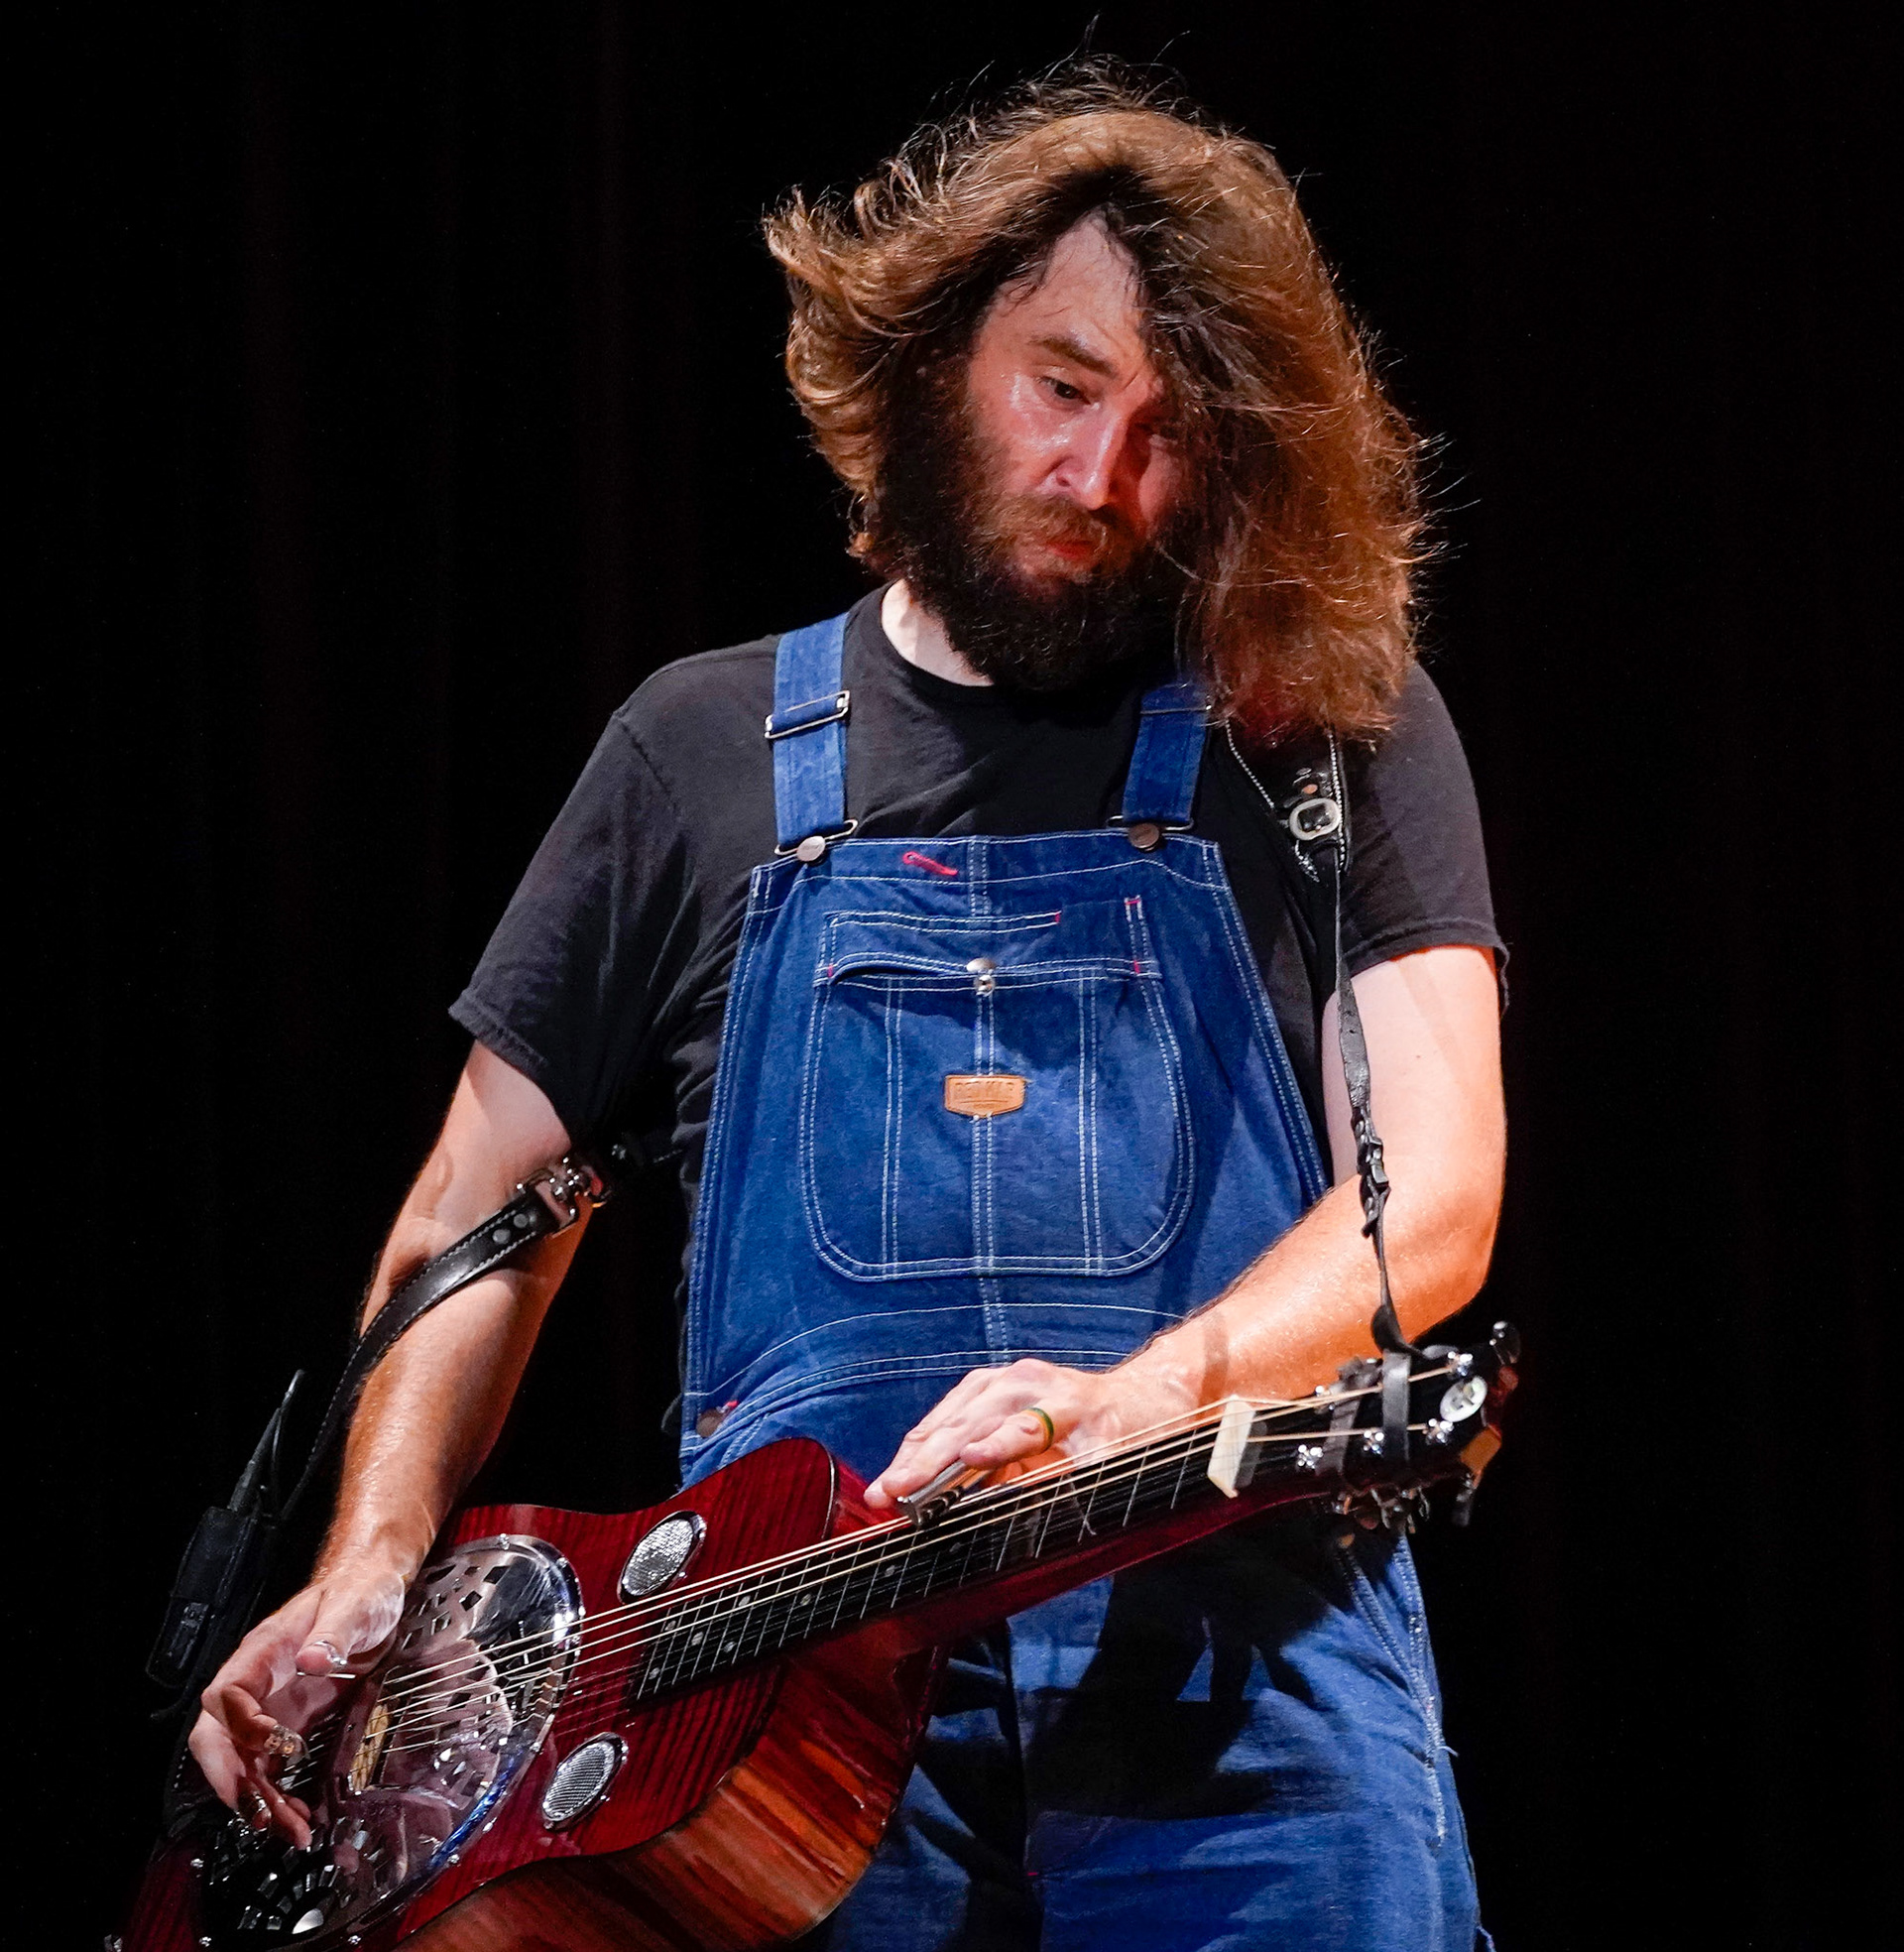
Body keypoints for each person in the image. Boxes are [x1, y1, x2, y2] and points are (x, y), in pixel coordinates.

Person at [190, 70, 1506, 1952]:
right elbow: (469, 1227)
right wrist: (371, 1557)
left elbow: (1434, 1204)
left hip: (1248, 1712)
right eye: (1063, 387)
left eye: (1167, 434)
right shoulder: (695, 752)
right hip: (774, 1761)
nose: (1100, 477)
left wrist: (1141, 1399)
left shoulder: (1317, 727)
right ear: (937, 353)